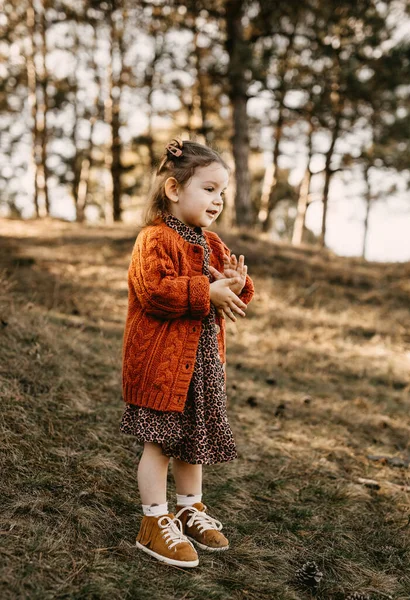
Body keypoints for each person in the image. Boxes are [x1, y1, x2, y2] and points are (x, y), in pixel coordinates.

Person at [120, 138, 255, 568]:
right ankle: (153, 521)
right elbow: (155, 292)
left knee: (192, 444)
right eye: (210, 189)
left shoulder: (211, 243)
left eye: (223, 193)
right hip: (161, 367)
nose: (218, 200)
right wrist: (206, 291)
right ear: (175, 189)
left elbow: (231, 298)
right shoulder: (153, 239)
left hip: (202, 368)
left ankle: (188, 508)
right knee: (160, 444)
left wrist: (234, 285)